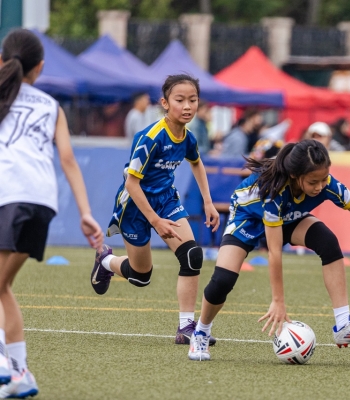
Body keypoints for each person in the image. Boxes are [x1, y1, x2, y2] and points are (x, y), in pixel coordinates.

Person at [187, 139, 350, 361]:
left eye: (324, 179)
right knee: (223, 280)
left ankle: (344, 325)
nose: (320, 187)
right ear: (294, 175)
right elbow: (274, 252)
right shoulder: (274, 193)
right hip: (248, 219)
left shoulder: (328, 185)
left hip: (288, 217)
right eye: (313, 182)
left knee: (327, 242)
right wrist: (278, 301)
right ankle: (201, 332)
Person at [0, 29, 104, 398]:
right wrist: (86, 212)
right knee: (2, 287)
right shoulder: (51, 106)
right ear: (40, 67)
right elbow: (68, 160)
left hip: (8, 196)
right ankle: (20, 375)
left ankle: (1, 363)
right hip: (43, 202)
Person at [90, 74, 221, 347]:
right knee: (140, 277)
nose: (187, 106)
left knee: (192, 255)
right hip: (135, 207)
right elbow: (131, 183)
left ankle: (186, 327)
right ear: (165, 103)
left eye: (193, 100)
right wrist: (155, 220)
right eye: (180, 100)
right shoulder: (150, 137)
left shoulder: (188, 137)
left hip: (166, 201)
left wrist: (208, 202)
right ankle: (105, 261)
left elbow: (196, 162)